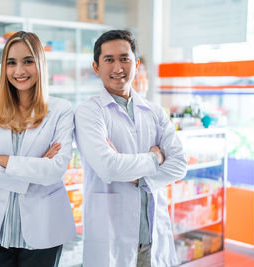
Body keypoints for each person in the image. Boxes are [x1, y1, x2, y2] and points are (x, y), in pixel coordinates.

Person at [74, 30, 187, 267]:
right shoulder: (89, 112)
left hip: (152, 235)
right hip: (112, 237)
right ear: (96, 67)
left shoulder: (154, 112)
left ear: (136, 64)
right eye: (109, 59)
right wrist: (155, 158)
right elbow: (109, 167)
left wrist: (138, 178)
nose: (118, 67)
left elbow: (179, 164)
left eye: (124, 58)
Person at [0, 31, 76, 267]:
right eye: (11, 63)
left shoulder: (61, 110)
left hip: (43, 230)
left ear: (40, 64)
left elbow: (55, 170)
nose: (19, 71)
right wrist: (32, 174)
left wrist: (1, 159)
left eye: (28, 61)